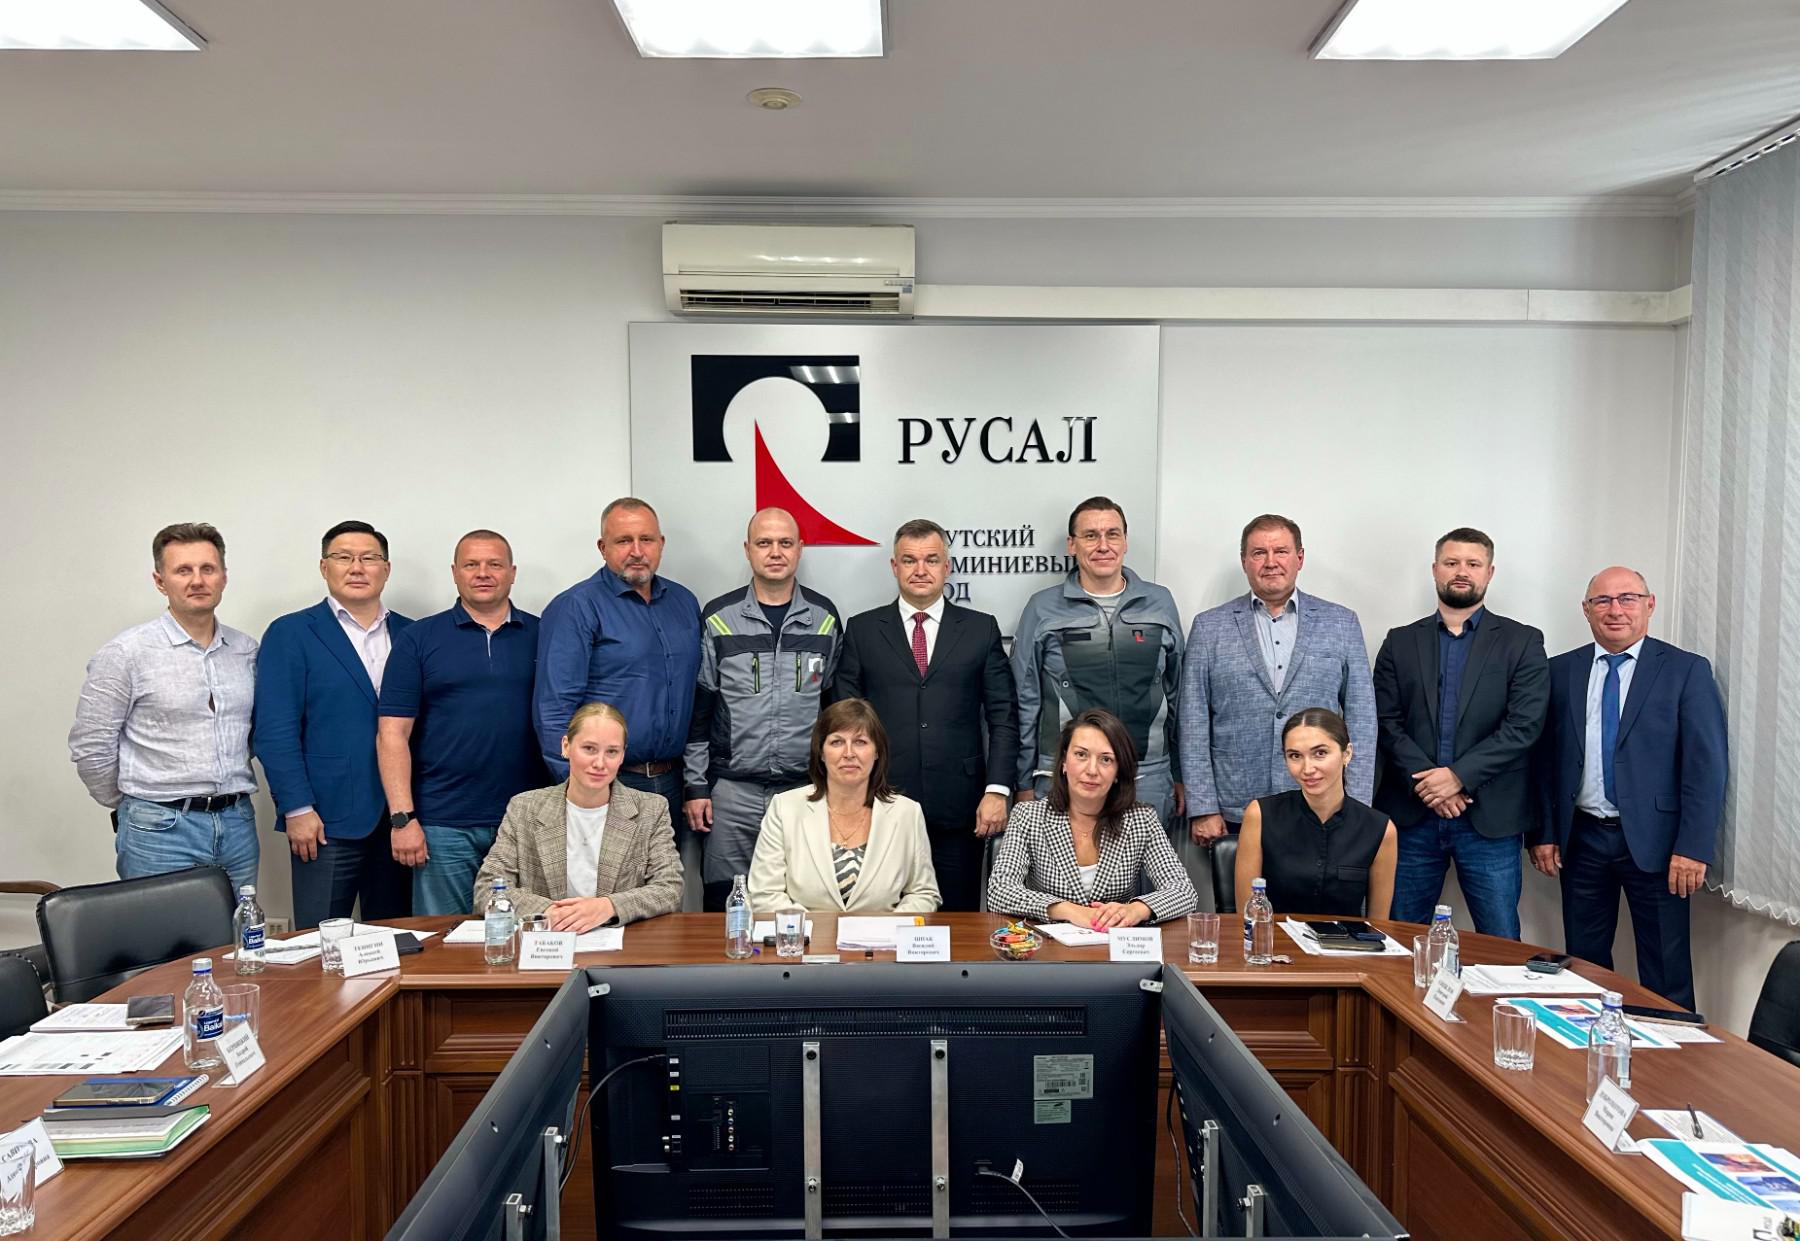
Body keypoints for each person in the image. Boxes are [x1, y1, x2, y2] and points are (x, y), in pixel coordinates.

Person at [1529, 567, 1727, 1011]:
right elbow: (1543, 760)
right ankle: (1589, 1037)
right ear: (1586, 611)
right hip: (1581, 839)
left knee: (1666, 968)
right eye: (1602, 601)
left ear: (1649, 605)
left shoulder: (1685, 670)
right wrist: (1543, 832)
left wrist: (1693, 847)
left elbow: (1706, 766)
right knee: (1584, 962)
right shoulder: (1560, 670)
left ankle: (1670, 1047)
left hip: (1659, 845)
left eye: (1627, 599)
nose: (1615, 610)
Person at [831, 518, 1018, 910]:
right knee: (882, 920)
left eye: (931, 560)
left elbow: (1003, 716)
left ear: (946, 567)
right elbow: (844, 721)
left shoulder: (981, 629)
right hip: (880, 802)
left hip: (962, 808)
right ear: (894, 566)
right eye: (909, 560)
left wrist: (997, 790)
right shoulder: (863, 630)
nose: (921, 570)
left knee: (957, 921)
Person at [1371, 528, 1548, 937]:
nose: (1461, 571)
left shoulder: (1522, 641)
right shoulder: (1399, 642)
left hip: (1490, 820)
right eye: (1451, 563)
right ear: (1435, 570)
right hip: (1413, 815)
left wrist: (1457, 777)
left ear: (1489, 572)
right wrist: (1431, 785)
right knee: (1400, 938)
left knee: (1500, 942)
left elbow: (1524, 726)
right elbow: (1385, 721)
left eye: (1473, 564)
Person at [69, 522, 260, 889]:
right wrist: (135, 803)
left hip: (237, 823)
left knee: (239, 926)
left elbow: (253, 734)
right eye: (183, 570)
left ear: (224, 577)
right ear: (160, 581)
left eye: (208, 569)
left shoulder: (246, 651)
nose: (197, 580)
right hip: (159, 830)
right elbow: (91, 745)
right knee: (162, 928)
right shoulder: (126, 653)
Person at [534, 498, 703, 906]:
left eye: (647, 539)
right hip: (608, 781)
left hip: (670, 780)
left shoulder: (684, 602)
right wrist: (581, 788)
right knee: (602, 901)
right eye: (624, 540)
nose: (637, 551)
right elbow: (554, 708)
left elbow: (697, 693)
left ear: (661, 544)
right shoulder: (576, 607)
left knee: (659, 899)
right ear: (602, 547)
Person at [1011, 497, 1191, 877]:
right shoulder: (1042, 608)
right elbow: (1024, 701)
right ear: (1072, 544)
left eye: (1112, 534)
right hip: (1063, 778)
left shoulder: (1160, 602)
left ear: (1125, 541)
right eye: (1090, 535)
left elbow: (1179, 695)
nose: (1103, 545)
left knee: (1144, 895)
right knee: (1065, 890)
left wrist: (1180, 773)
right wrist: (1023, 782)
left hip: (1147, 776)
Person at [1180, 513, 1377, 846]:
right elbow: (1193, 720)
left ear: (1299, 558)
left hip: (1321, 802)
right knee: (1241, 883)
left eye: (1281, 552)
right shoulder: (1209, 627)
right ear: (1244, 561)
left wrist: (1356, 804)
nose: (1270, 562)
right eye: (1259, 553)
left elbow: (1362, 718)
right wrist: (1203, 806)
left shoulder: (1341, 623)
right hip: (1235, 806)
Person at [255, 521, 415, 928]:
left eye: (369, 558)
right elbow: (275, 731)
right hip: (324, 821)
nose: (356, 567)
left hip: (401, 820)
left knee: (397, 940)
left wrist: (411, 814)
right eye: (344, 557)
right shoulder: (291, 633)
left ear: (386, 569)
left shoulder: (413, 634)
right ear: (324, 567)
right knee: (320, 941)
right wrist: (296, 807)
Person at [377, 530, 544, 915]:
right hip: (444, 823)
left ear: (512, 572)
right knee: (445, 938)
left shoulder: (544, 635)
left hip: (528, 820)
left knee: (528, 934)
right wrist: (403, 819)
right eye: (471, 564)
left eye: (494, 564)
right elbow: (392, 734)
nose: (483, 573)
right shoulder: (418, 639)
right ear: (455, 572)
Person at [683, 508, 842, 910]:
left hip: (803, 791)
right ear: (747, 549)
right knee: (725, 903)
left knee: (803, 901)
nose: (775, 552)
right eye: (764, 543)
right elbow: (700, 712)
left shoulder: (824, 619)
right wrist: (696, 787)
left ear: (800, 549)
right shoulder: (719, 618)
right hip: (732, 793)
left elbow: (835, 712)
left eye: (785, 543)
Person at [474, 702, 682, 929]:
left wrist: (608, 907)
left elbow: (669, 888)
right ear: (566, 746)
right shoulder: (525, 808)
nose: (599, 763)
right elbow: (488, 889)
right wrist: (552, 913)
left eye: (612, 752)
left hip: (621, 944)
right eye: (589, 749)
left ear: (623, 755)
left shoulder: (651, 809)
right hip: (548, 940)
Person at [987, 708, 1196, 926]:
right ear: (1064, 762)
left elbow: (1183, 891)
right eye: (1081, 755)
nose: (1092, 770)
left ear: (1118, 771)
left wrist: (1136, 910)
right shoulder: (1028, 816)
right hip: (1048, 943)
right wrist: (1068, 910)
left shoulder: (1140, 819)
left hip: (1113, 940)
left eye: (1106, 759)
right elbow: (1000, 891)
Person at [748, 698, 941, 915]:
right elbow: (764, 894)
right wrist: (811, 930)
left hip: (881, 936)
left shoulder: (907, 813)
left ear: (877, 752)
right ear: (821, 752)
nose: (849, 753)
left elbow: (923, 894)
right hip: (804, 936)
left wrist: (888, 929)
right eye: (837, 742)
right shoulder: (784, 808)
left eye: (860, 742)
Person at [1237, 709, 1397, 919]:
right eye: (1295, 756)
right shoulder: (1260, 815)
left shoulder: (1380, 829)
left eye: (1320, 753)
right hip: (1274, 938)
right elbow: (1247, 917)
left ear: (1347, 753)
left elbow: (1378, 925)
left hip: (1346, 940)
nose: (1308, 768)